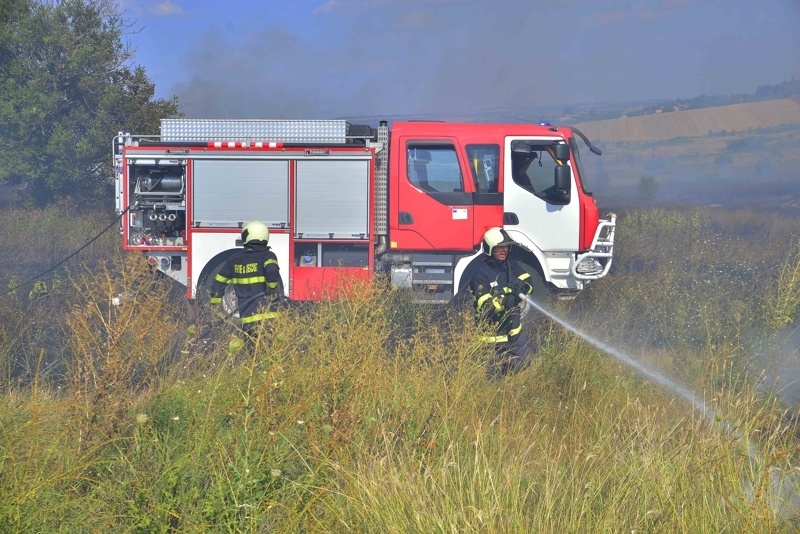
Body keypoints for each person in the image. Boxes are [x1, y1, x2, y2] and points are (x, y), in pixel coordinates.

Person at [470, 227, 534, 378]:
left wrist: (524, 287)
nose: (504, 250)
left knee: (525, 362)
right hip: (492, 335)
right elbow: (484, 304)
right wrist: (506, 301)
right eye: (500, 247)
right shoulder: (480, 273)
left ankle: (505, 372)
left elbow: (528, 279)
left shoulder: (511, 265)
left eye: (506, 247)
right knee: (491, 376)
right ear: (490, 248)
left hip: (513, 330)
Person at [209, 220, 283, 340]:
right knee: (270, 351)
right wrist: (272, 290)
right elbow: (272, 274)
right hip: (269, 317)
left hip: (247, 319)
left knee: (252, 352)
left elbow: (218, 284)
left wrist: (217, 310)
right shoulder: (268, 256)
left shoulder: (234, 259)